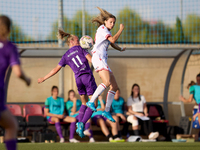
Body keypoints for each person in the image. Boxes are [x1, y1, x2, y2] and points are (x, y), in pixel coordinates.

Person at [38, 29, 97, 138]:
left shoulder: (65, 56)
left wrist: (44, 78)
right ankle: (82, 123)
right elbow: (92, 60)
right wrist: (99, 62)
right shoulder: (81, 49)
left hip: (78, 80)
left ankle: (80, 123)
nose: (79, 41)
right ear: (72, 41)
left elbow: (55, 69)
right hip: (87, 77)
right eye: (77, 40)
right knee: (94, 103)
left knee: (84, 103)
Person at [86, 6, 126, 125]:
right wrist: (121, 29)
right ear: (105, 22)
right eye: (111, 22)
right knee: (107, 82)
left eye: (114, 22)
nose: (113, 24)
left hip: (103, 60)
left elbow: (111, 43)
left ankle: (107, 111)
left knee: (114, 86)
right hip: (98, 58)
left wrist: (119, 49)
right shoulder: (103, 29)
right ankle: (91, 101)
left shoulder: (106, 31)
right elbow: (113, 40)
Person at [0, 15, 31, 150]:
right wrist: (27, 79)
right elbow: (18, 72)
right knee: (11, 125)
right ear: (9, 29)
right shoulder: (9, 47)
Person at [179, 73, 200, 138]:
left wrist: (183, 100)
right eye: (197, 80)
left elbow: (190, 100)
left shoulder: (192, 87)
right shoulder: (197, 87)